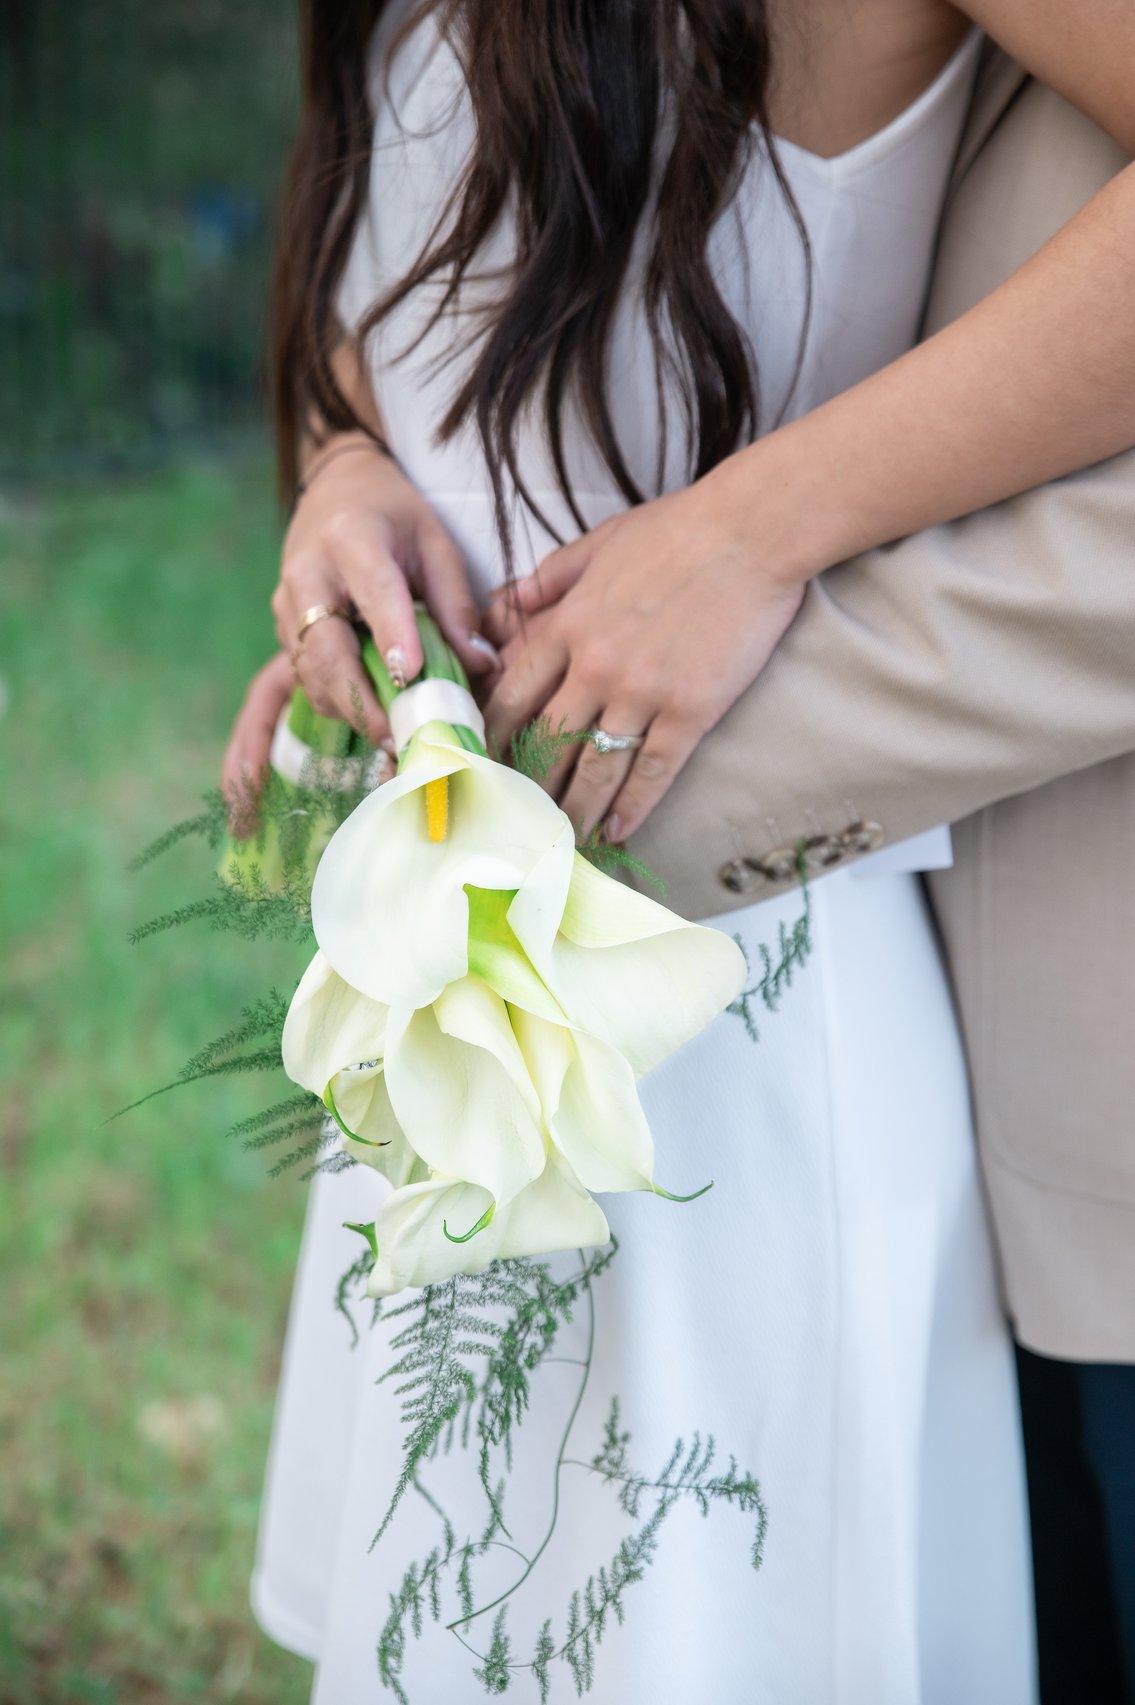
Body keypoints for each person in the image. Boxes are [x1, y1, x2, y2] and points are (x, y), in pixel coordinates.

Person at [225, 3, 1135, 1699]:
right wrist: (343, 475)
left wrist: (752, 525)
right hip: (433, 945)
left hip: (731, 973)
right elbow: (398, 298)